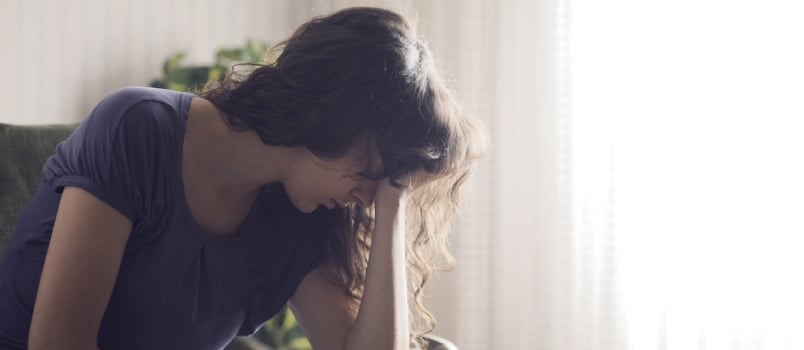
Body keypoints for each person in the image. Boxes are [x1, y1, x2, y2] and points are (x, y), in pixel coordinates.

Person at [0, 6, 484, 350]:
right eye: (378, 168)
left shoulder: (303, 214)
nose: (368, 196)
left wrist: (394, 203)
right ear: (334, 117)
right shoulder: (136, 127)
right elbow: (58, 342)